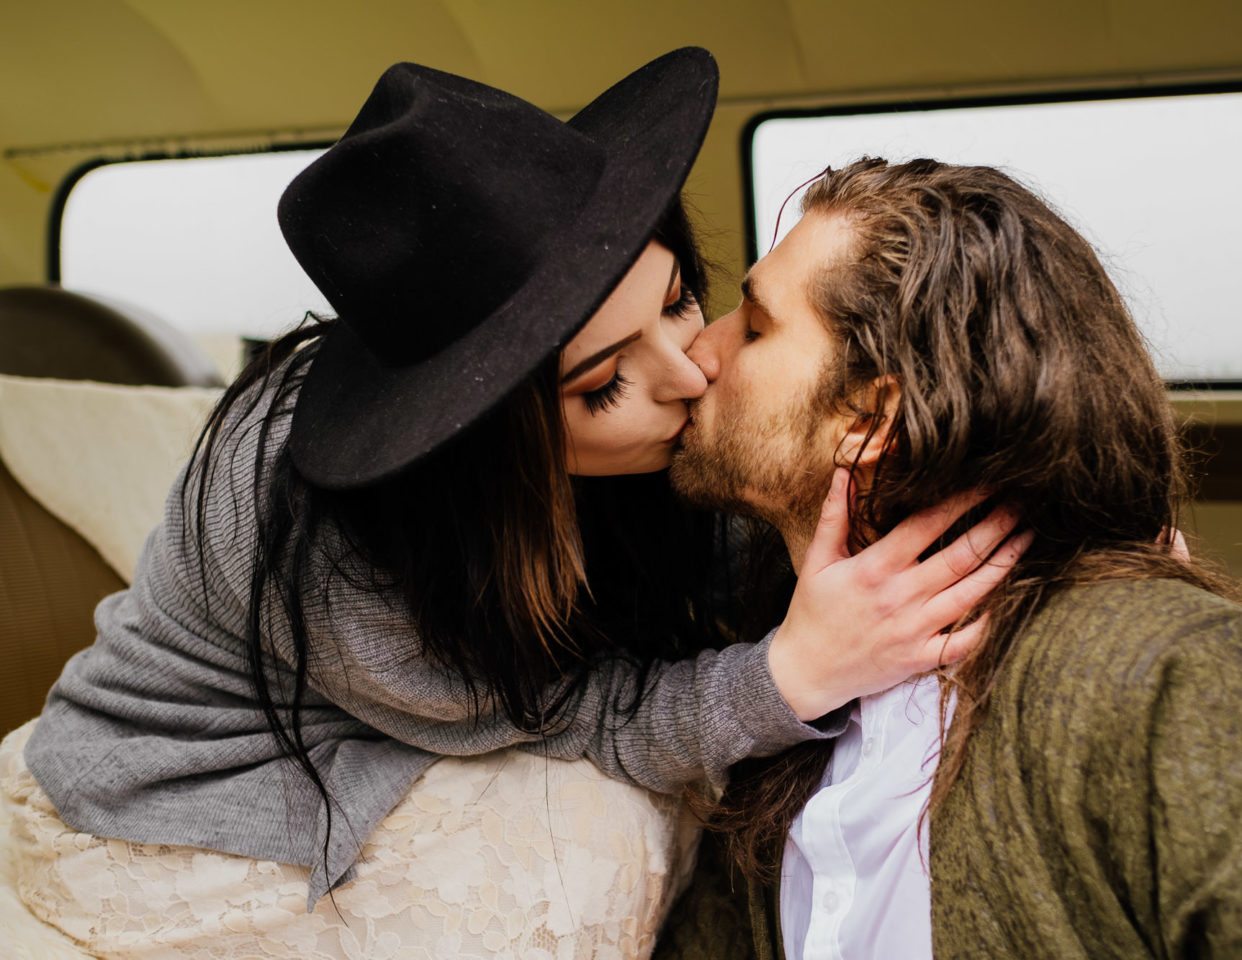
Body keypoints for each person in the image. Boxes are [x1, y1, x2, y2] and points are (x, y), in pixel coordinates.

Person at [1, 56, 1019, 956]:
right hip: (204, 791)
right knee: (602, 838)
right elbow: (581, 714)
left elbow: (713, 569)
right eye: (604, 385)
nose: (692, 373)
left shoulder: (634, 426)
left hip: (413, 715)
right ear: (480, 438)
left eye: (677, 300)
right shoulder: (341, 556)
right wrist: (788, 674)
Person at [659, 157, 1242, 958]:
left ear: (871, 413)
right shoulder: (779, 689)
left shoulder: (1166, 670)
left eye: (754, 328)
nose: (699, 356)